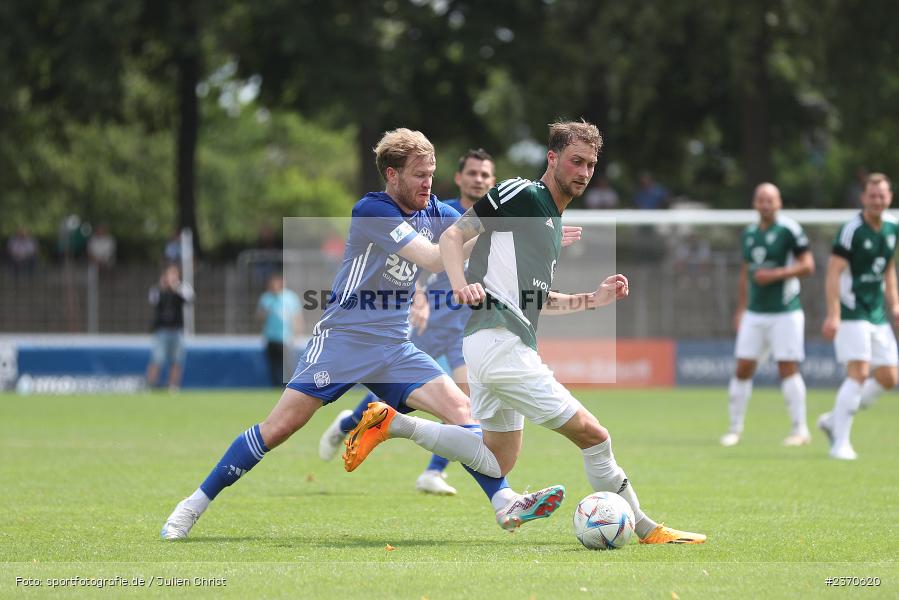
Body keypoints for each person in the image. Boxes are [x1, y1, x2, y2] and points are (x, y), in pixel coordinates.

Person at [162, 129, 560, 540]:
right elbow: (432, 257)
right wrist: (477, 235)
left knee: (462, 413)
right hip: (342, 342)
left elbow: (470, 241)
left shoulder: (434, 209)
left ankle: (504, 502)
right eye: (420, 175)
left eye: (432, 173)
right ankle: (193, 504)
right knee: (277, 429)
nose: (428, 183)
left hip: (394, 348)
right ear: (392, 175)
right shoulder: (372, 210)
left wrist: (524, 232)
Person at [348, 120, 706, 544]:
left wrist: (593, 298)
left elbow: (535, 300)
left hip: (492, 344)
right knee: (594, 435)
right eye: (576, 161)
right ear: (552, 158)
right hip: (500, 343)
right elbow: (451, 236)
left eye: (591, 164)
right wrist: (461, 284)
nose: (584, 172)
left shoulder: (550, 221)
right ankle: (646, 527)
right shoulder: (522, 193)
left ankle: (391, 424)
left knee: (498, 461)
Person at [317, 149, 496, 495]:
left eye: (486, 176)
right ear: (459, 178)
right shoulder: (440, 214)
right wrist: (418, 298)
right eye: (473, 173)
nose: (479, 180)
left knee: (464, 404)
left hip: (461, 327)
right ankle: (348, 423)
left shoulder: (479, 223)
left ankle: (433, 471)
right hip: (428, 322)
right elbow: (406, 264)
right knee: (393, 394)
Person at [719, 183, 815, 447]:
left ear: (779, 203)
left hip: (786, 311)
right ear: (755, 204)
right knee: (742, 368)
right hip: (755, 313)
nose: (765, 204)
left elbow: (808, 266)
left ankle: (800, 429)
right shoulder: (750, 234)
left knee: (787, 368)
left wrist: (775, 274)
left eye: (770, 200)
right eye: (761, 200)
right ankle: (735, 429)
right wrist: (741, 308)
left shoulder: (790, 230)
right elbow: (746, 274)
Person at [818, 173, 898, 460]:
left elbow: (887, 269)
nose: (877, 200)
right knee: (859, 373)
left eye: (882, 195)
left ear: (889, 197)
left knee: (889, 377)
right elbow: (833, 273)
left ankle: (831, 421)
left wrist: (895, 305)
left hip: (877, 313)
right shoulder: (851, 230)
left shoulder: (892, 228)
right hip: (852, 311)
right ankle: (841, 442)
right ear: (863, 198)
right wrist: (834, 314)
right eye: (872, 195)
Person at [146, 264, 194, 391]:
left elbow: (190, 298)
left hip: (177, 330)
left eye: (174, 275)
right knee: (157, 359)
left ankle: (173, 386)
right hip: (162, 331)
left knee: (177, 361)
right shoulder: (158, 289)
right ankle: (150, 384)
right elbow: (152, 300)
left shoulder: (182, 288)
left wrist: (176, 287)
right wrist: (163, 287)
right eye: (170, 275)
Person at [257, 272, 303, 387]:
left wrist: (296, 335)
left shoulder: (290, 297)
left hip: (285, 337)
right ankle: (275, 386)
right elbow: (260, 317)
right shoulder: (266, 298)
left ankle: (290, 387)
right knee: (273, 365)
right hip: (271, 337)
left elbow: (296, 317)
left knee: (287, 366)